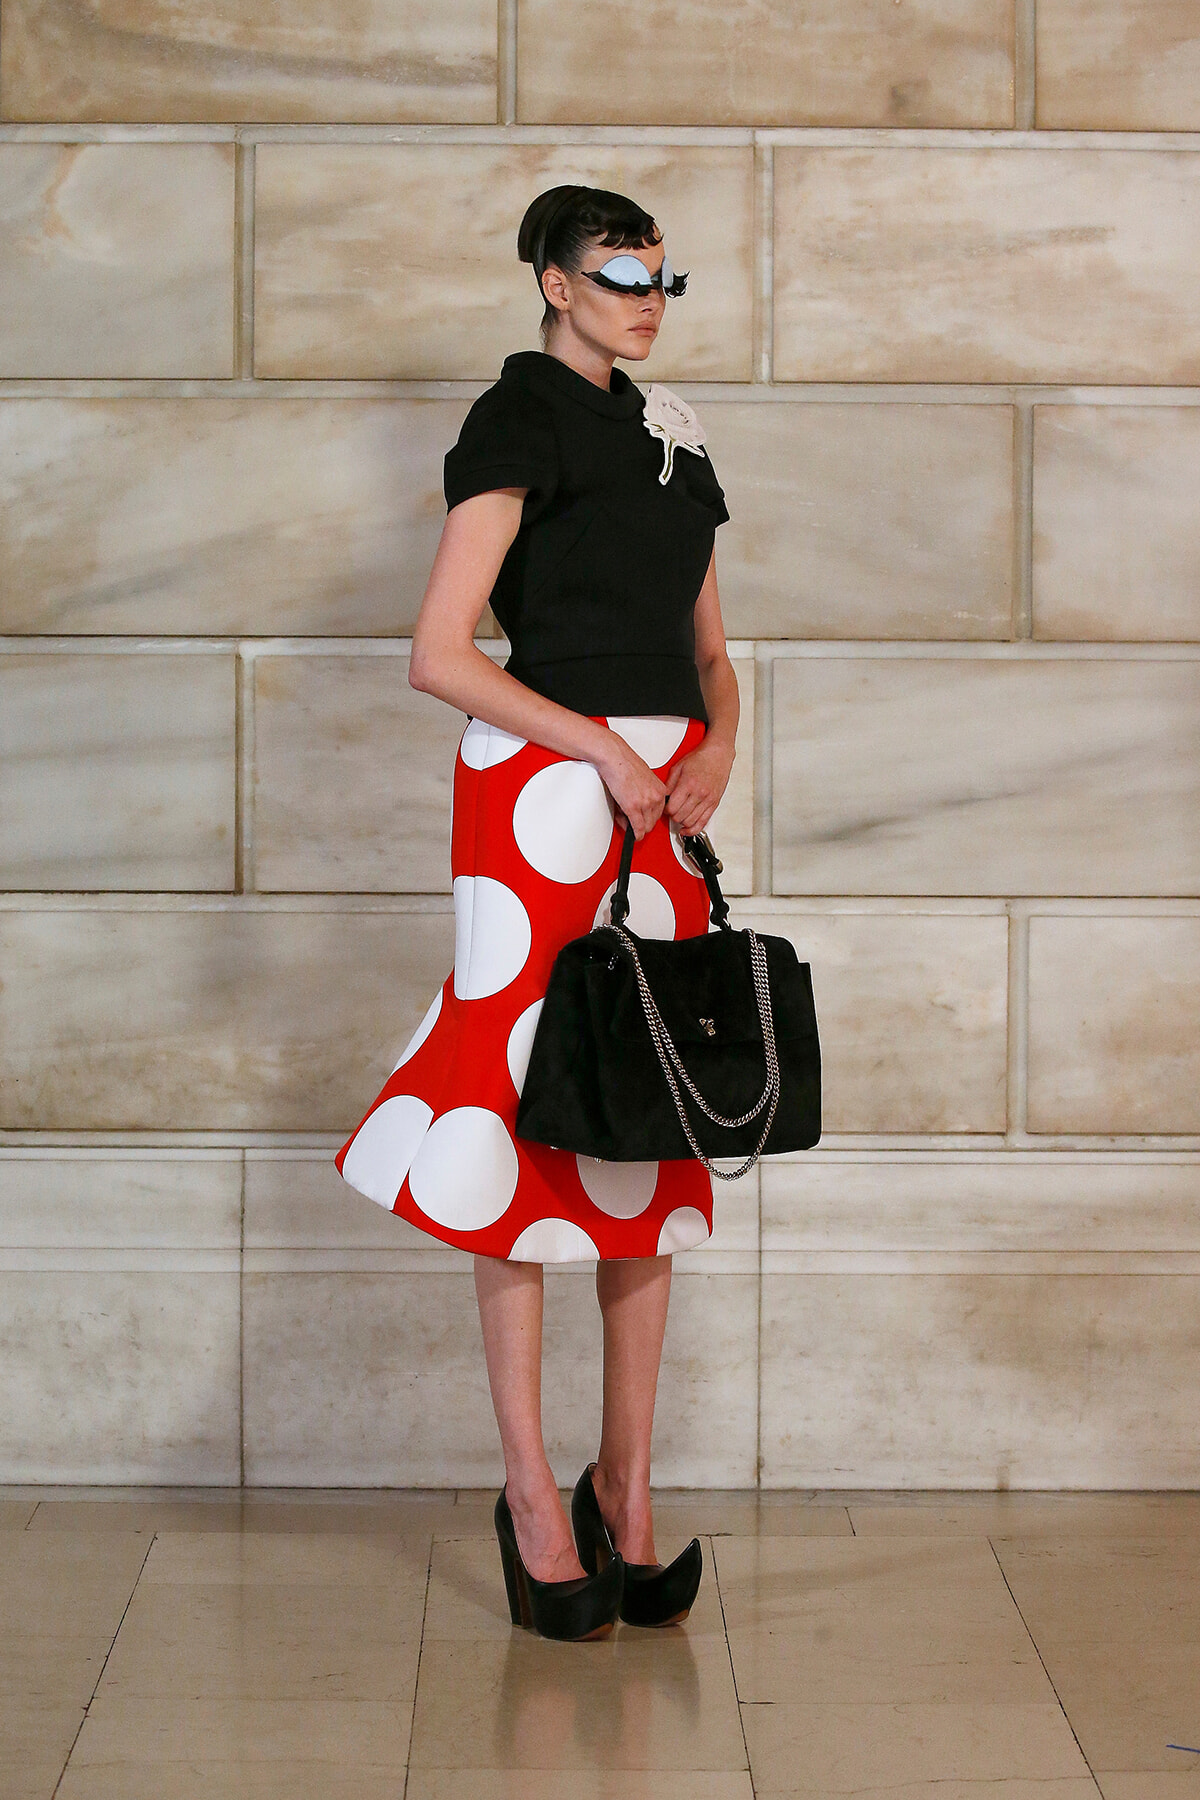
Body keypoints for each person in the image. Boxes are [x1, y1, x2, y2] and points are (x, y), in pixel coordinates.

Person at [335, 184, 739, 1641]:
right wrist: (608, 749)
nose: (647, 296)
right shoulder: (515, 420)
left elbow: (709, 649)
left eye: (662, 276)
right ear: (554, 286)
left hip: (662, 801)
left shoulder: (674, 431)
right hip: (544, 791)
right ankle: (527, 1499)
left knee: (646, 1115)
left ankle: (624, 1498)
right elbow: (440, 654)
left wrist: (716, 747)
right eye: (620, 274)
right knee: (520, 1120)